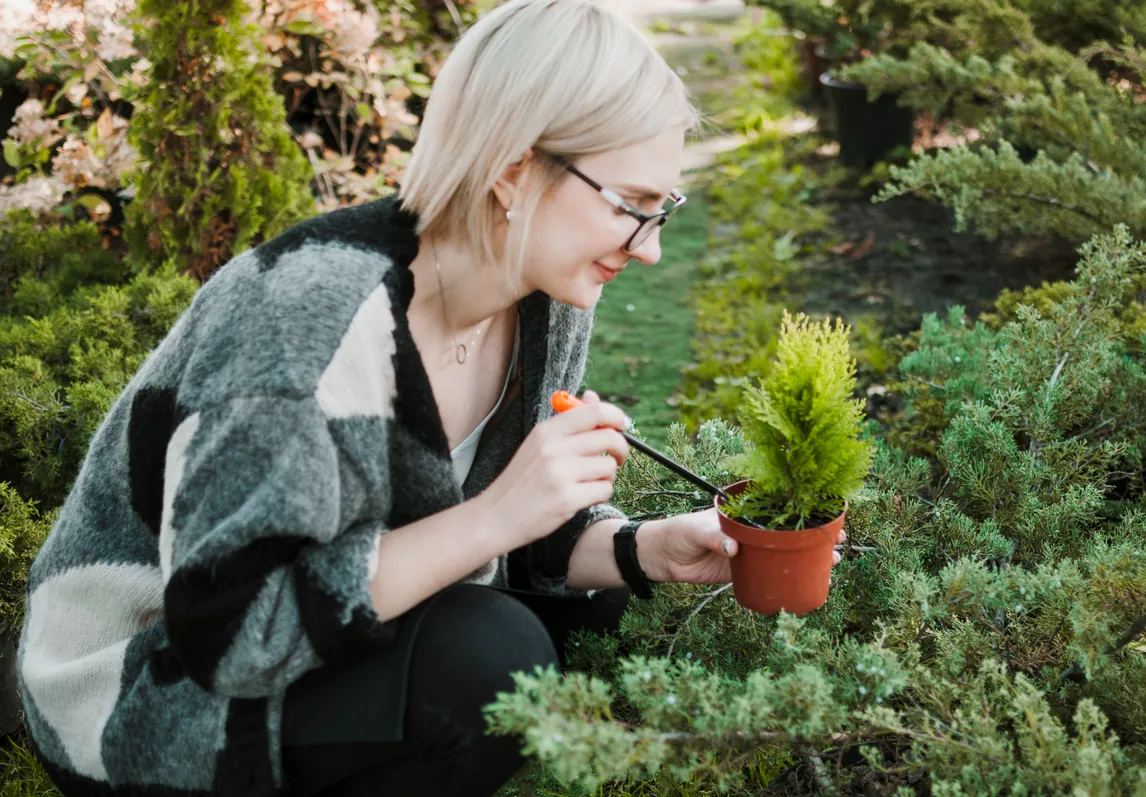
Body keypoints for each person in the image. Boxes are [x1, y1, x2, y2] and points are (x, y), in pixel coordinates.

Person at [17, 1, 845, 795]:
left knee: (602, 614)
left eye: (664, 208)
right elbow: (229, 631)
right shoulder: (307, 319)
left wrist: (648, 548)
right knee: (488, 660)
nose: (653, 249)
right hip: (143, 685)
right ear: (515, 172)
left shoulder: (541, 300)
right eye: (632, 207)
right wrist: (494, 517)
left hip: (313, 630)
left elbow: (514, 535)